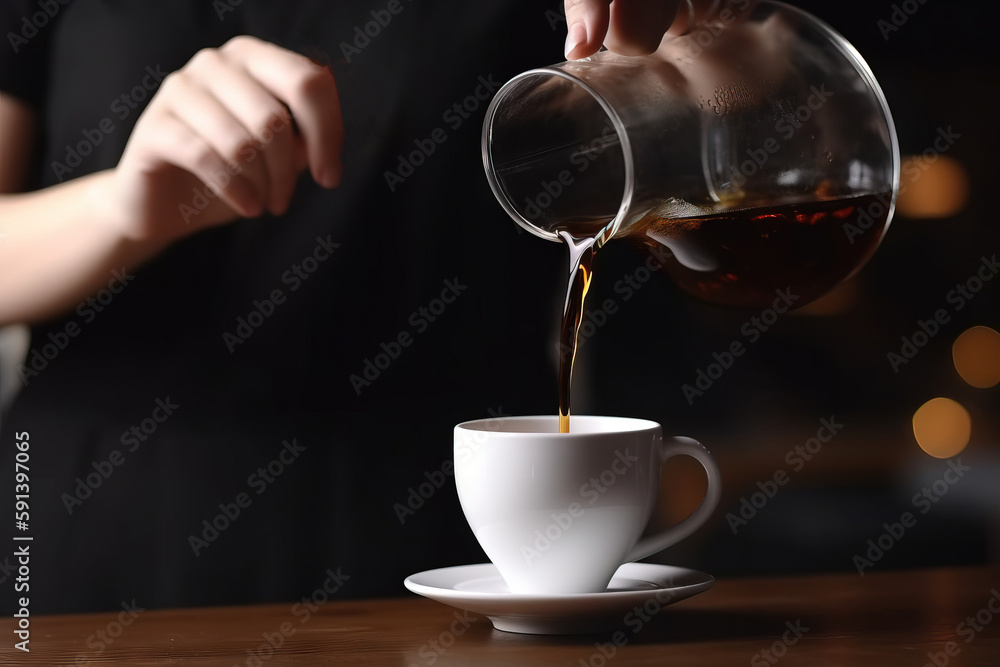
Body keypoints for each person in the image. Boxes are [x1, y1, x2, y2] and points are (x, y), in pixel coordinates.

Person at [0, 0, 722, 613]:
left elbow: (715, 171)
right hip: (98, 525)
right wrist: (124, 209)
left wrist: (694, 36)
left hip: (451, 527)